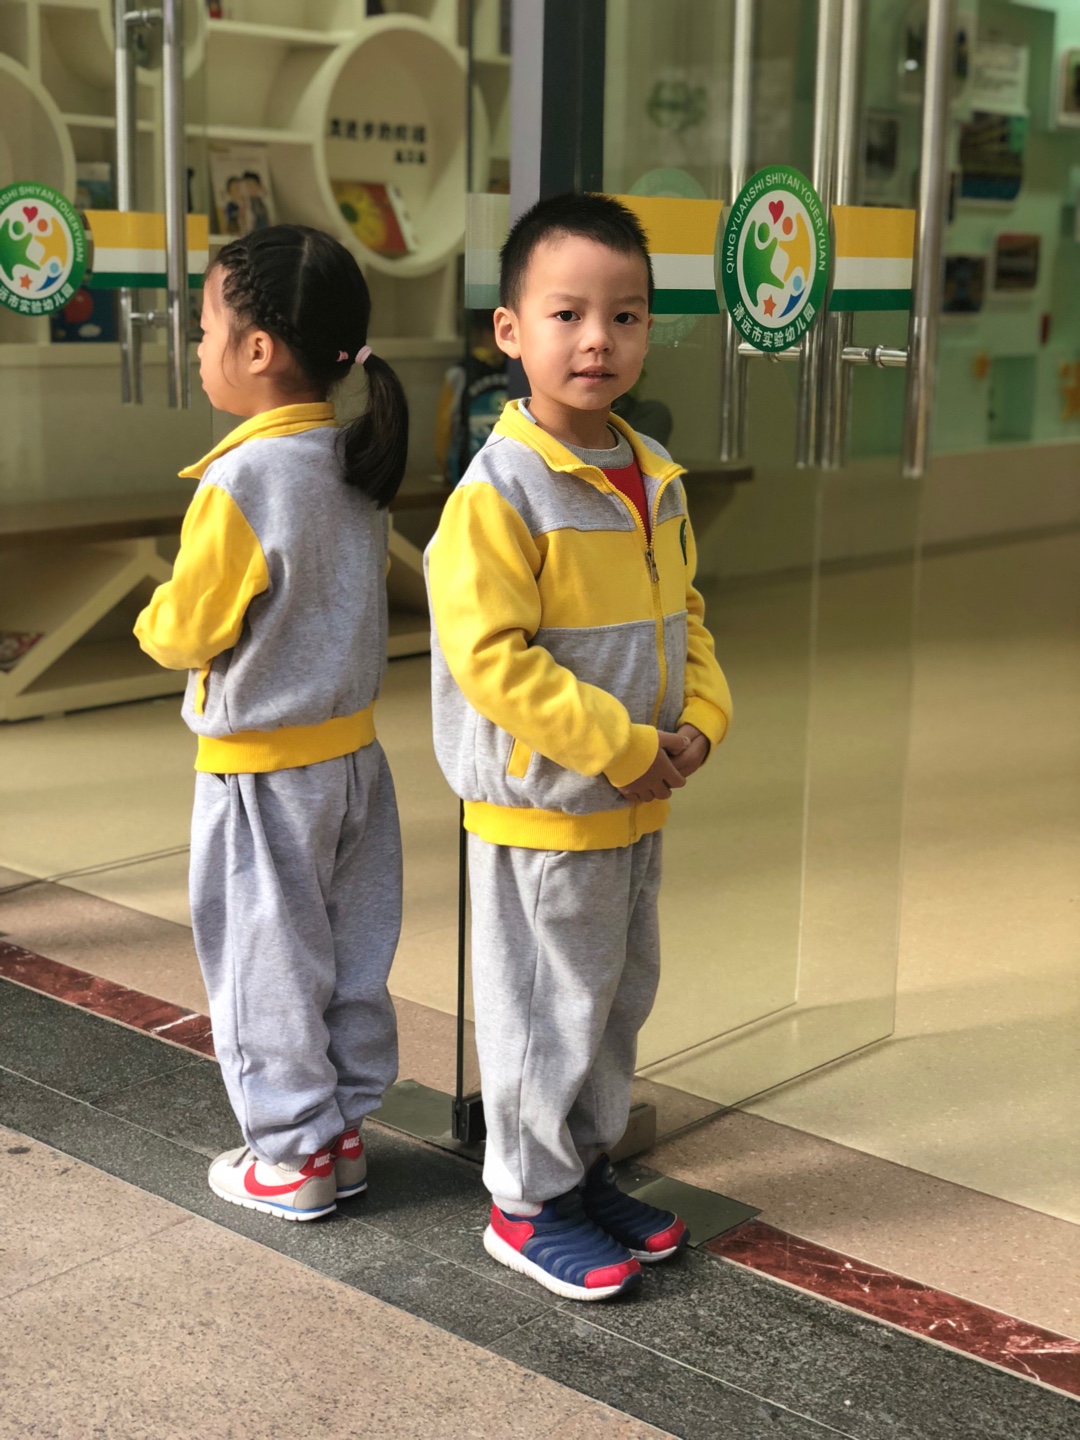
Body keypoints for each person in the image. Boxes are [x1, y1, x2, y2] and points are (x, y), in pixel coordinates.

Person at [425, 193, 732, 1301]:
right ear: (511, 331)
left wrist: (701, 718)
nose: (598, 338)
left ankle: (583, 1171)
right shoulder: (499, 491)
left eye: (625, 315)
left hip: (633, 799)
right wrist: (613, 745)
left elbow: (684, 613)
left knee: (610, 1002)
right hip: (546, 813)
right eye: (567, 314)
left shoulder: (652, 471)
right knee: (543, 1011)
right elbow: (491, 661)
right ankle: (525, 1201)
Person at [135, 225, 409, 1221]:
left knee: (265, 963)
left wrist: (151, 620)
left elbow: (191, 626)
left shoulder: (243, 480)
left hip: (260, 776)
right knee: (347, 953)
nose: (200, 345)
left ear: (258, 349)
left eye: (207, 326)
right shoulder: (352, 457)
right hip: (355, 767)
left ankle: (291, 1159)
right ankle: (340, 1131)